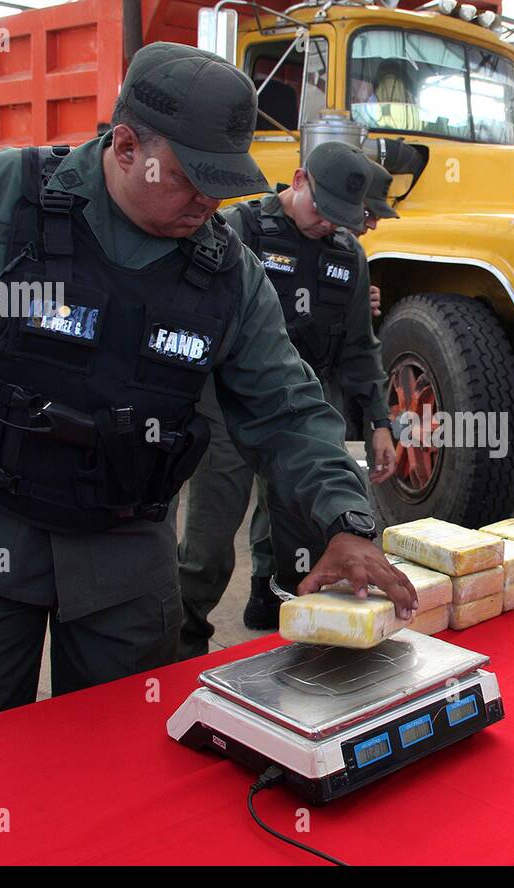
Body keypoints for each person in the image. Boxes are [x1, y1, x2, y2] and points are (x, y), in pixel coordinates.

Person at [0, 42, 416, 728]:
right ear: (126, 142)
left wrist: (347, 524)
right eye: (191, 177)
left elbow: (290, 410)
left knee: (121, 765)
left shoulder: (228, 272)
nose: (209, 200)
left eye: (222, 181)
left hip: (124, 558)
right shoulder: (1, 199)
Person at [176, 147, 397, 657]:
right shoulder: (239, 229)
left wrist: (380, 423)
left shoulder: (348, 255)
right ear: (298, 180)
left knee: (299, 538)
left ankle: (289, 624)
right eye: (320, 210)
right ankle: (180, 650)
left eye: (341, 219)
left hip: (300, 410)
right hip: (228, 405)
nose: (327, 226)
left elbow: (362, 349)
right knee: (208, 550)